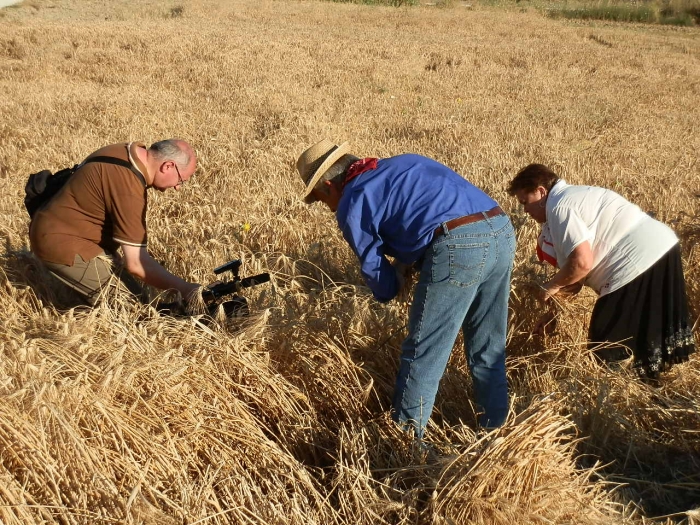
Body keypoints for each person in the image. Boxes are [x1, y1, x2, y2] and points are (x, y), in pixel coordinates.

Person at [296, 139, 516, 437]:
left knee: (424, 351)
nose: (327, 206)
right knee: (488, 346)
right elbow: (423, 212)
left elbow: (378, 275)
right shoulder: (405, 162)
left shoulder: (352, 199)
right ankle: (498, 433)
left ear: (327, 185)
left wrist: (391, 285)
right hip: (501, 229)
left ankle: (407, 444)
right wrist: (407, 261)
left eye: (322, 199)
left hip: (458, 246)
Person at [508, 163, 696, 379]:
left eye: (525, 202)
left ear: (541, 191)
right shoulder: (573, 197)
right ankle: (648, 391)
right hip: (662, 248)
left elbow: (581, 263)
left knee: (605, 345)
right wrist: (553, 314)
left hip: (635, 262)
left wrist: (550, 286)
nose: (525, 210)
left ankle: (614, 399)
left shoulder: (560, 207)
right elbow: (575, 277)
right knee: (645, 333)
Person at [29, 139, 201, 306]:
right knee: (135, 311)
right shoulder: (129, 186)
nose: (178, 187)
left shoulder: (126, 150)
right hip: (61, 240)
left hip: (57, 224)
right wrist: (186, 289)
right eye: (181, 180)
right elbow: (136, 263)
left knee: (137, 296)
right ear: (168, 166)